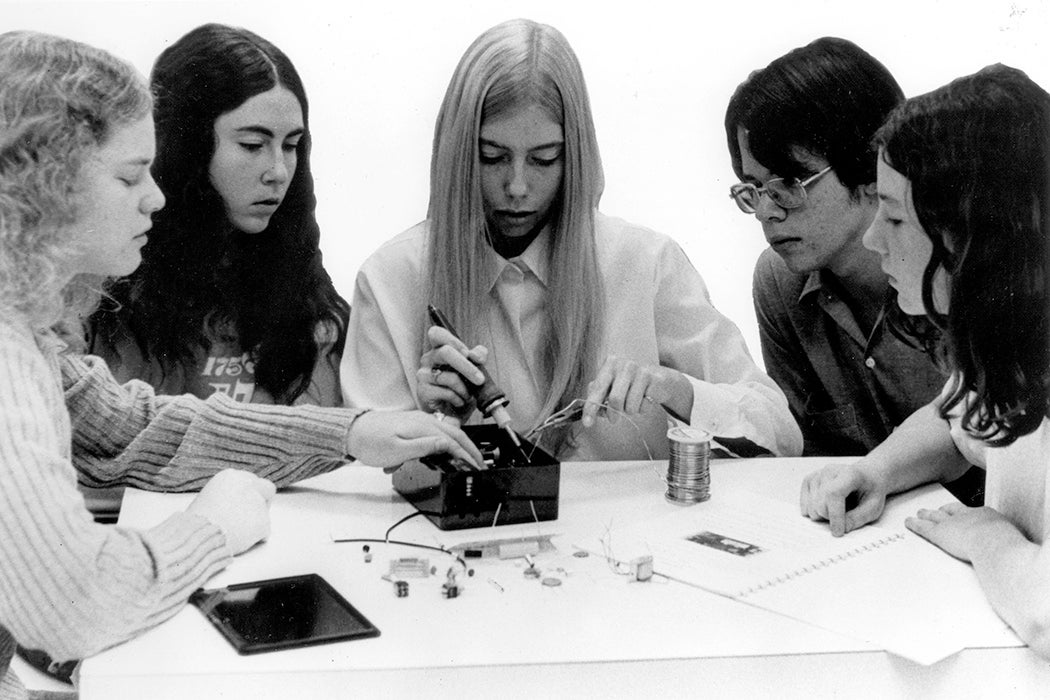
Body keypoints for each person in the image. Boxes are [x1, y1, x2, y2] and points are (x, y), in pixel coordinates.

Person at [0, 31, 482, 698]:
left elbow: (132, 428)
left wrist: (347, 433)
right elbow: (76, 601)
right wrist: (214, 528)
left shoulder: (24, 337)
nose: (156, 198)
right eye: (130, 175)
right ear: (44, 185)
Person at [340, 18, 800, 461]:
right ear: (457, 153)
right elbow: (363, 482)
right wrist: (438, 424)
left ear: (575, 156)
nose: (517, 187)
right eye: (491, 156)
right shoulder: (389, 280)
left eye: (544, 159)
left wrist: (677, 389)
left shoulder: (646, 264)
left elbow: (781, 434)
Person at [800, 65, 1050, 656]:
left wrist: (992, 541)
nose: (872, 241)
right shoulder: (1013, 346)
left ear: (968, 233)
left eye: (892, 217)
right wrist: (878, 470)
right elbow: (956, 419)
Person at [90, 23, 348, 407]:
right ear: (188, 146)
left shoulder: (312, 306)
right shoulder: (102, 300)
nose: (278, 171)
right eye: (252, 145)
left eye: (292, 145)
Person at [725, 37, 946, 458]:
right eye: (753, 188)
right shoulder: (779, 282)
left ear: (867, 169)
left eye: (789, 183)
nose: (766, 212)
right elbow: (799, 457)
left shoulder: (955, 272)